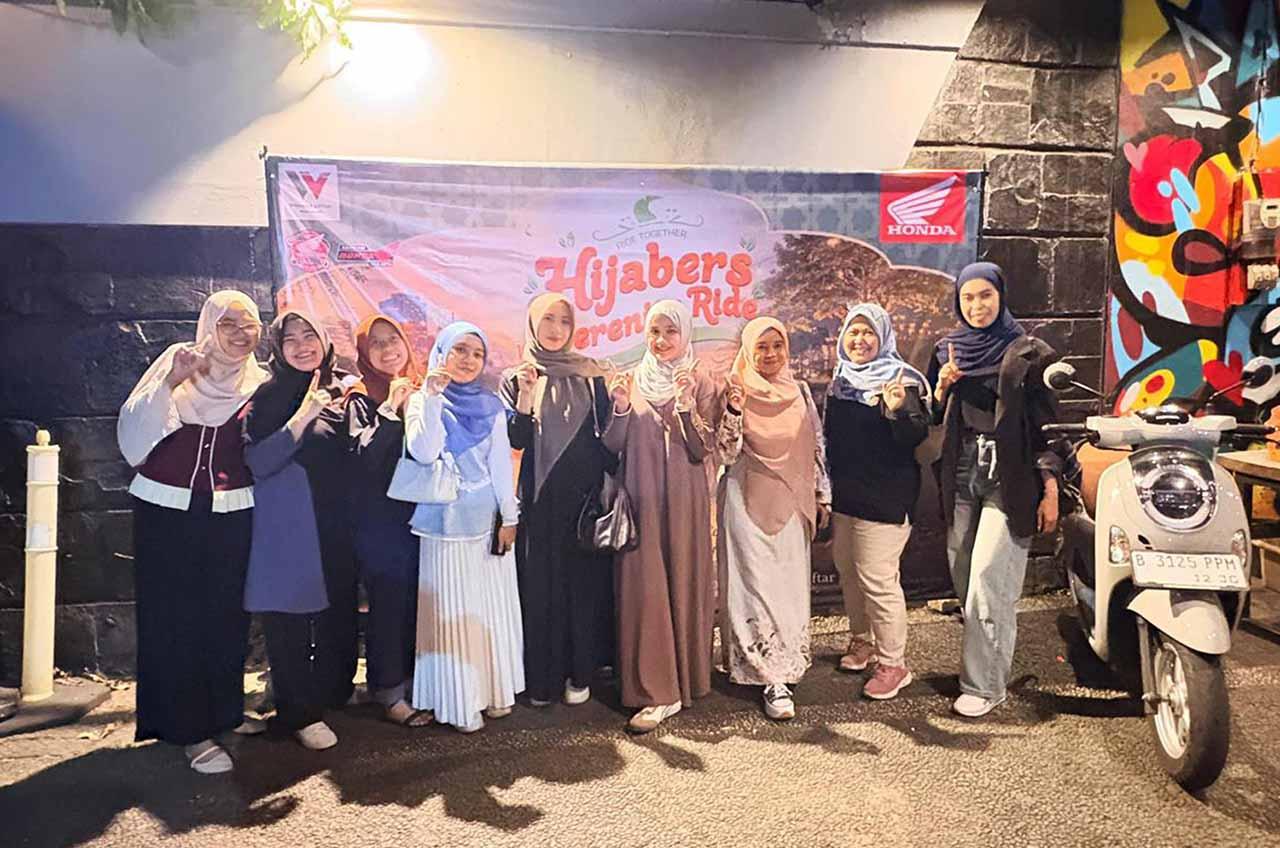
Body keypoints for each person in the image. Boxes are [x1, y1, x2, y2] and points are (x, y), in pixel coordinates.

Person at [117, 290, 268, 774]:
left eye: (249, 324)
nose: (240, 334)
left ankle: (223, 711)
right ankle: (188, 730)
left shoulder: (260, 381)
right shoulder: (179, 362)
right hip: (167, 509)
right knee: (175, 619)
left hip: (231, 509)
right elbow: (133, 433)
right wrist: (171, 382)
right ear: (209, 325)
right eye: (228, 324)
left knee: (226, 616)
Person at [927, 262, 1061, 718]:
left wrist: (1050, 486)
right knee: (966, 577)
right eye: (967, 297)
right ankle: (989, 666)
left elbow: (1049, 425)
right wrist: (942, 388)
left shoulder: (1030, 352)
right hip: (962, 468)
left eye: (985, 295)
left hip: (1012, 473)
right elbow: (933, 415)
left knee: (989, 579)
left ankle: (984, 686)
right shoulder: (948, 350)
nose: (976, 305)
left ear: (1001, 296)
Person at [603, 299, 719, 734]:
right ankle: (657, 689)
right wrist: (618, 407)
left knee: (682, 582)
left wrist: (686, 405)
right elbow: (613, 446)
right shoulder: (632, 380)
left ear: (685, 334)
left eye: (671, 331)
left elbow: (703, 448)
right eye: (655, 331)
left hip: (685, 503)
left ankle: (686, 679)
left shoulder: (701, 378)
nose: (662, 340)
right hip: (641, 500)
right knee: (645, 588)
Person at [242, 310, 356, 750]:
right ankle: (298, 713)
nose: (302, 345)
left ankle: (326, 693)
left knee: (334, 611)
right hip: (289, 524)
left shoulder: (340, 390)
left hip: (335, 522)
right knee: (288, 618)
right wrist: (303, 415)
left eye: (310, 335)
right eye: (291, 338)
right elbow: (259, 462)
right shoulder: (268, 396)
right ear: (277, 346)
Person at [406, 322, 524, 733]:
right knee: (453, 611)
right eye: (459, 350)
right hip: (443, 523)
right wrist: (431, 398)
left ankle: (494, 691)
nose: (468, 360)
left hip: (486, 521)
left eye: (477, 353)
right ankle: (460, 702)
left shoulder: (491, 406)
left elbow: (500, 468)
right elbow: (424, 452)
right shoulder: (422, 399)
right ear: (441, 353)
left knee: (489, 608)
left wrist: (510, 517)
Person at [501, 293, 616, 708]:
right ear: (533, 324)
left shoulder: (591, 375)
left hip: (584, 504)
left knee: (582, 589)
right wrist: (525, 396)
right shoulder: (517, 377)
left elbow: (608, 444)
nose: (555, 329)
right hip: (539, 503)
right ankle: (543, 680)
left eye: (564, 321)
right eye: (547, 319)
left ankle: (580, 672)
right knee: (541, 590)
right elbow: (515, 441)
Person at [715, 317, 829, 720]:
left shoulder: (799, 392)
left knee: (787, 589)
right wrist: (734, 409)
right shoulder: (734, 389)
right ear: (748, 350)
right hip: (744, 501)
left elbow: (816, 444)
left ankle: (783, 666)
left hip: (792, 503)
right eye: (761, 347)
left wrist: (822, 494)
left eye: (777, 345)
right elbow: (725, 452)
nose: (770, 354)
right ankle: (764, 674)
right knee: (751, 588)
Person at [825, 303, 930, 701]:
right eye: (853, 332)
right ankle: (862, 640)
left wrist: (898, 409)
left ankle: (894, 663)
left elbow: (914, 437)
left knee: (878, 578)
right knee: (849, 571)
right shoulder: (840, 381)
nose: (860, 340)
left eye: (868, 332)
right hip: (847, 494)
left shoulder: (902, 380)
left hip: (887, 496)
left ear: (883, 336)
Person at [344, 314, 433, 726]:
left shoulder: (423, 388)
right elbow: (362, 459)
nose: (387, 349)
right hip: (380, 521)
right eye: (375, 343)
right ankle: (389, 691)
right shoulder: (360, 398)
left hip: (423, 516)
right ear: (364, 352)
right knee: (389, 605)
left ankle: (420, 683)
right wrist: (390, 412)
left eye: (392, 339)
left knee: (421, 602)